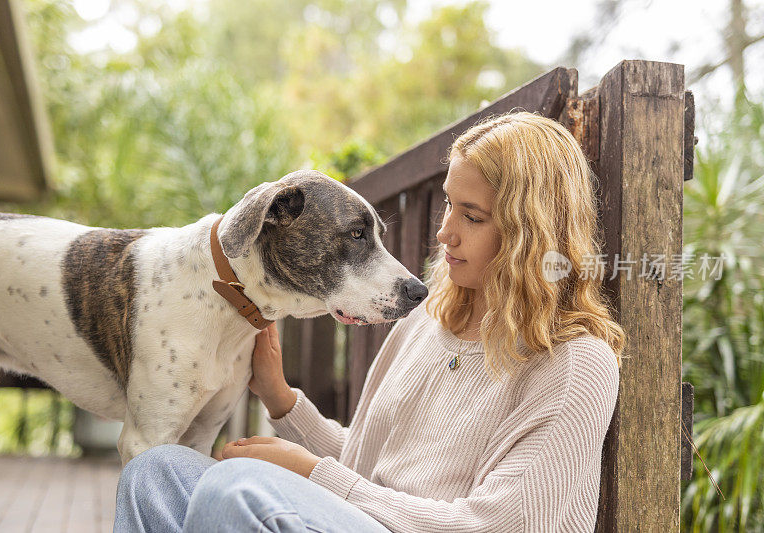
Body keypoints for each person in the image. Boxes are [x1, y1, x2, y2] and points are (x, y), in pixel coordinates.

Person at [114, 111, 625, 532]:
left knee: (237, 493)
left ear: (529, 232)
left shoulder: (575, 364)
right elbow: (365, 463)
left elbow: (499, 525)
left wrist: (313, 474)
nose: (444, 232)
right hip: (363, 519)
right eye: (448, 203)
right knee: (154, 472)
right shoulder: (429, 321)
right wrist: (280, 398)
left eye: (472, 216)